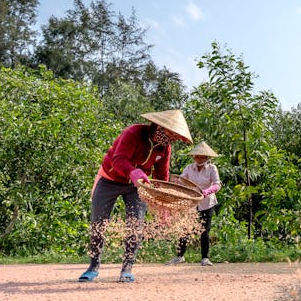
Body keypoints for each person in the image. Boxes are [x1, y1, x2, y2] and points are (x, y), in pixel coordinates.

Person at [79, 109, 192, 283]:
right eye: (171, 133)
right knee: (99, 222)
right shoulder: (133, 133)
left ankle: (127, 269)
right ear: (159, 126)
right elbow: (118, 159)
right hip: (109, 179)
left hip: (137, 186)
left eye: (175, 137)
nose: (172, 138)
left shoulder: (165, 149)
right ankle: (93, 267)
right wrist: (132, 172)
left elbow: (161, 177)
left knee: (135, 224)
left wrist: (163, 204)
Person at [167, 142, 222, 266]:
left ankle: (205, 258)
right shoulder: (189, 168)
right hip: (191, 202)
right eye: (197, 156)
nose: (199, 159)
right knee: (185, 228)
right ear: (194, 157)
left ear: (207, 157)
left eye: (202, 157)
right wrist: (176, 182)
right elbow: (182, 180)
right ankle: (180, 256)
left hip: (207, 202)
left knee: (204, 230)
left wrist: (207, 191)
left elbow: (217, 184)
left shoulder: (212, 168)